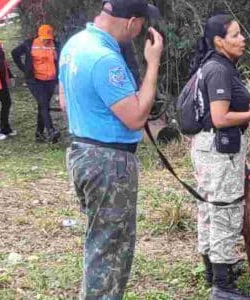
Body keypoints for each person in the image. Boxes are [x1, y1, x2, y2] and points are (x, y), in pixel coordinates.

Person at [58, 0, 163, 298]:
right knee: (111, 250)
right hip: (108, 163)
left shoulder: (75, 44)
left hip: (81, 152)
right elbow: (135, 117)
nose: (141, 30)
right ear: (131, 22)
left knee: (100, 240)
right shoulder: (105, 59)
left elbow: (65, 103)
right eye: (141, 23)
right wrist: (153, 62)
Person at [189, 15, 250, 300]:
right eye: (235, 35)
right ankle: (223, 287)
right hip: (220, 152)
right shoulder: (219, 70)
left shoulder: (215, 66)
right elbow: (220, 117)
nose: (242, 40)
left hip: (210, 148)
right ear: (219, 41)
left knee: (209, 208)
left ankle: (214, 269)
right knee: (225, 210)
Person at [12, 24, 61, 143]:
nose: (47, 41)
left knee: (42, 106)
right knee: (44, 104)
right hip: (35, 81)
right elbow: (15, 53)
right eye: (44, 38)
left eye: (49, 38)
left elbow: (61, 60)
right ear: (39, 36)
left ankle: (39, 134)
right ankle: (51, 130)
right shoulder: (30, 44)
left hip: (50, 80)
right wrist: (24, 69)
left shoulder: (56, 45)